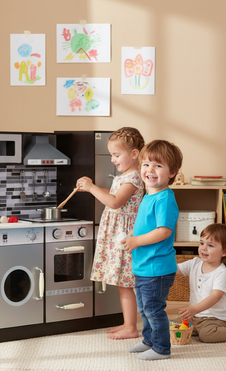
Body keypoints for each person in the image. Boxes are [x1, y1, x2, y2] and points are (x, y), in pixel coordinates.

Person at [76, 127, 145, 340]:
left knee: (125, 284)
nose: (113, 160)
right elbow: (113, 194)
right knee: (121, 284)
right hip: (117, 233)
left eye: (116, 155)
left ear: (134, 154)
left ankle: (131, 328)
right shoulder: (124, 176)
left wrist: (91, 188)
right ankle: (127, 324)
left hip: (123, 235)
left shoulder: (133, 177)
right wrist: (91, 187)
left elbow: (115, 202)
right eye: (111, 155)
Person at [122, 139, 183, 360]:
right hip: (145, 266)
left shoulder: (164, 198)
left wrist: (136, 241)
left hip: (156, 268)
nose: (150, 170)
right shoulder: (149, 195)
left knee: (154, 310)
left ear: (173, 172)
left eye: (158, 166)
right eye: (146, 164)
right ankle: (149, 340)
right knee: (145, 308)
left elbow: (164, 231)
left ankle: (161, 348)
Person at [177, 223, 226, 343]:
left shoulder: (221, 273)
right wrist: (159, 266)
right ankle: (196, 328)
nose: (204, 248)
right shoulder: (194, 263)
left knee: (207, 335)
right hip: (195, 317)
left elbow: (215, 297)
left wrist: (194, 309)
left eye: (210, 245)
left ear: (224, 252)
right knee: (172, 325)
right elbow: (175, 269)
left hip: (215, 319)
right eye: (201, 243)